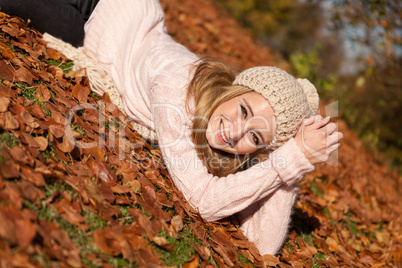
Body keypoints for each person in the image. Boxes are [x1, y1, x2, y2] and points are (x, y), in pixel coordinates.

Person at [1, 0, 343, 255]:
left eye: (256, 135)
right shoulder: (178, 89)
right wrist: (290, 159)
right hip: (99, 11)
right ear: (236, 88)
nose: (236, 132)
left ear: (261, 148)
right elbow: (204, 200)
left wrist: (292, 165)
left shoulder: (236, 150)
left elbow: (263, 246)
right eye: (243, 109)